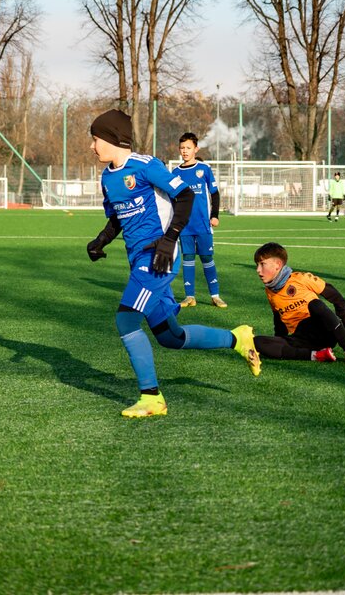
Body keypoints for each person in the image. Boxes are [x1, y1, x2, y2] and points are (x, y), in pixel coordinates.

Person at [85, 109, 261, 418]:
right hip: (139, 259)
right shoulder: (108, 177)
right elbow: (117, 218)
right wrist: (100, 240)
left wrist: (170, 238)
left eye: (95, 139)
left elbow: (185, 196)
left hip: (158, 256)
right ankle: (237, 338)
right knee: (170, 337)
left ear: (113, 139)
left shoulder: (146, 166)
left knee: (126, 321)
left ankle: (151, 397)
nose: (92, 146)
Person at [251, 242, 345, 365]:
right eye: (257, 265)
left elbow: (335, 297)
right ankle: (316, 355)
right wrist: (277, 341)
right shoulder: (269, 291)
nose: (258, 270)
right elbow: (278, 320)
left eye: (262, 264)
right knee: (257, 342)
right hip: (301, 339)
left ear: (278, 265)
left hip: (325, 331)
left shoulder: (301, 278)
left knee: (315, 304)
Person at [171, 132, 226, 308]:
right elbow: (172, 198)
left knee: (207, 257)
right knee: (187, 258)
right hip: (185, 225)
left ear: (196, 149)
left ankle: (215, 295)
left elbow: (214, 193)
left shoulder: (204, 169)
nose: (185, 151)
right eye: (182, 148)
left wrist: (214, 215)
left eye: (188, 147)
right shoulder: (175, 172)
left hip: (202, 223)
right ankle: (189, 296)